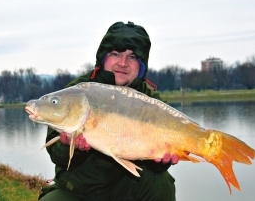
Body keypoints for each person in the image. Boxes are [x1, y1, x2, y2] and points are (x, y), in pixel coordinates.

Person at [39, 21, 178, 201]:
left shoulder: (148, 99)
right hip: (79, 190)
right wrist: (70, 147)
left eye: (132, 57)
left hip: (127, 188)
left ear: (141, 65)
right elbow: (57, 155)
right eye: (115, 54)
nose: (123, 63)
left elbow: (157, 162)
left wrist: (161, 161)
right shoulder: (78, 93)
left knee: (161, 183)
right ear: (103, 57)